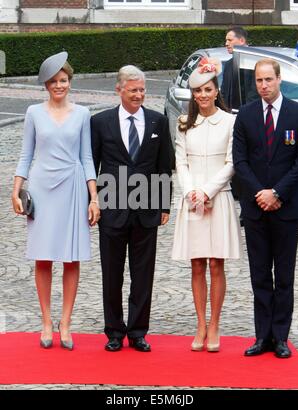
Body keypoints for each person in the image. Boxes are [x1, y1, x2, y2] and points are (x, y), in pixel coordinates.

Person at [11, 52, 100, 350]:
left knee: (71, 257)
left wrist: (94, 197)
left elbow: (87, 157)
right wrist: (15, 190)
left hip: (73, 187)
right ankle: (46, 321)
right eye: (53, 82)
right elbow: (26, 155)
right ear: (46, 85)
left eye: (63, 80)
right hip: (42, 188)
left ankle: (66, 322)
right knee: (43, 255)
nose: (59, 86)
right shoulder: (33, 112)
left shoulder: (83, 114)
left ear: (70, 82)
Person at [91, 65, 174, 352]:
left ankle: (138, 331)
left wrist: (164, 205)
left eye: (142, 90)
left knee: (143, 274)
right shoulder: (100, 122)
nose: (139, 95)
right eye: (133, 90)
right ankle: (114, 331)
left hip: (147, 209)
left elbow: (165, 166)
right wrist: (93, 201)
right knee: (111, 273)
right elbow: (92, 165)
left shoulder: (157, 122)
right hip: (111, 208)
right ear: (119, 90)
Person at [172, 57, 242, 352]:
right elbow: (181, 161)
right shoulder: (184, 123)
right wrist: (191, 192)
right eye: (198, 91)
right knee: (197, 264)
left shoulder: (230, 121)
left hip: (219, 197)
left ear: (217, 92)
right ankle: (200, 325)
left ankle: (215, 325)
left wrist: (209, 192)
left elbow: (232, 161)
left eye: (208, 90)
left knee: (216, 264)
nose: (203, 95)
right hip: (192, 201)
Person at [233, 58, 298, 359]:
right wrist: (260, 193)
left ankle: (281, 337)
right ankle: (262, 337)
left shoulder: (297, 113)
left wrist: (277, 192)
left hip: (287, 208)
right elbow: (240, 161)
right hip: (256, 209)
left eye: (268, 80)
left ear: (278, 78)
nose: (263, 86)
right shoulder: (245, 116)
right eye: (259, 81)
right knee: (260, 275)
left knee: (284, 276)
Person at [221, 26, 248, 111]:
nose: (226, 43)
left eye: (230, 40)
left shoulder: (255, 63)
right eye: (226, 40)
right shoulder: (228, 64)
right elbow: (224, 93)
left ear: (242, 41)